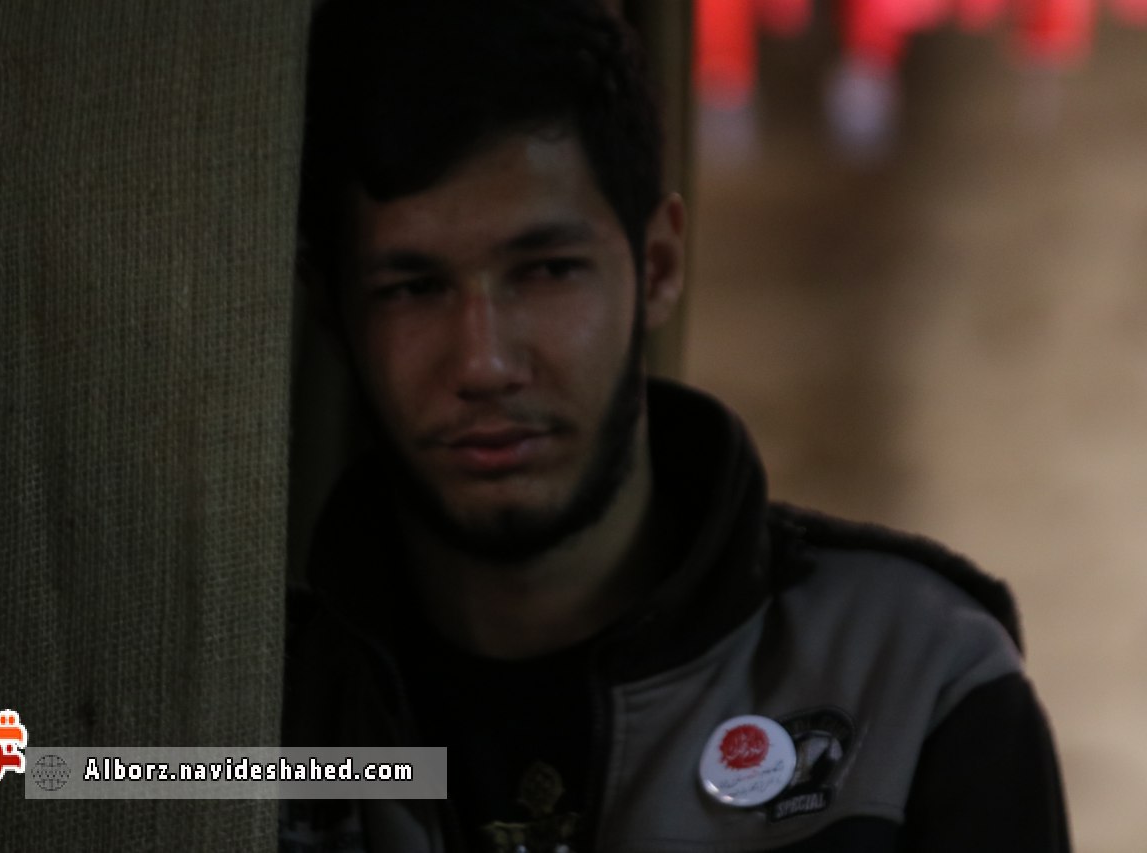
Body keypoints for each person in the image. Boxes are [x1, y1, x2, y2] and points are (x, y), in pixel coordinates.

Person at [282, 1, 1071, 850]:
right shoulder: (251, 718)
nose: (484, 362)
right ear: (331, 310)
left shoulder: (910, 679)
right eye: (411, 288)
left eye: (547, 270)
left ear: (657, 266)